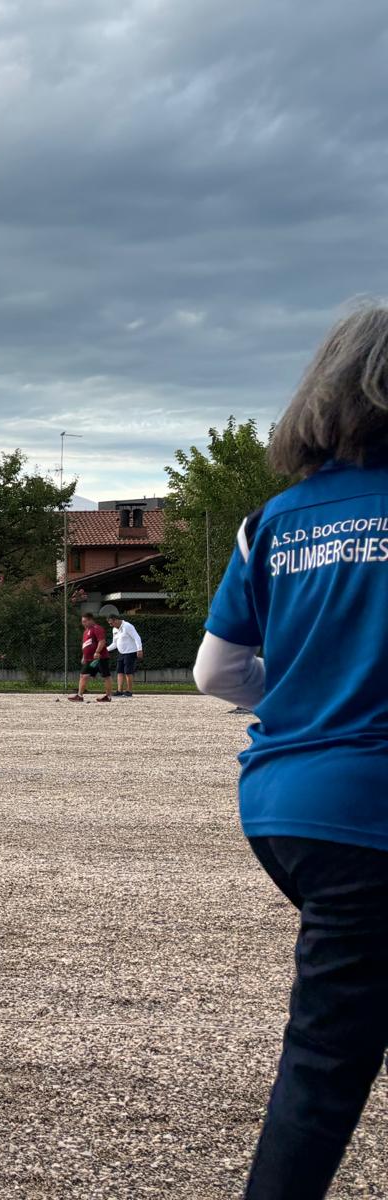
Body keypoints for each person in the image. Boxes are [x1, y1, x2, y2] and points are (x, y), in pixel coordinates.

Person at [194, 304, 388, 1200]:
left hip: (290, 809)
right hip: (374, 811)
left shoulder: (271, 521)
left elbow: (216, 672)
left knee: (325, 1055)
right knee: (329, 1058)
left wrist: (312, 698)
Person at [69, 612, 113, 703]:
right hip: (89, 660)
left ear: (91, 620)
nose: (83, 623)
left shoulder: (97, 628)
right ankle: (79, 696)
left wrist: (97, 652)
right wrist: (84, 656)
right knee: (83, 675)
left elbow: (102, 641)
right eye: (82, 621)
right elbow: (85, 645)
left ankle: (108, 697)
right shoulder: (86, 631)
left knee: (106, 676)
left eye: (85, 621)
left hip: (100, 658)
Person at [107, 614, 143, 697]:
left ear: (116, 620)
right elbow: (114, 644)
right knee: (119, 672)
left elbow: (137, 637)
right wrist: (105, 650)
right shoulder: (114, 630)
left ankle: (129, 691)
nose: (110, 625)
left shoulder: (127, 626)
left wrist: (139, 649)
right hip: (121, 653)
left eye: (111, 623)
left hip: (130, 652)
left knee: (128, 672)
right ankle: (119, 691)